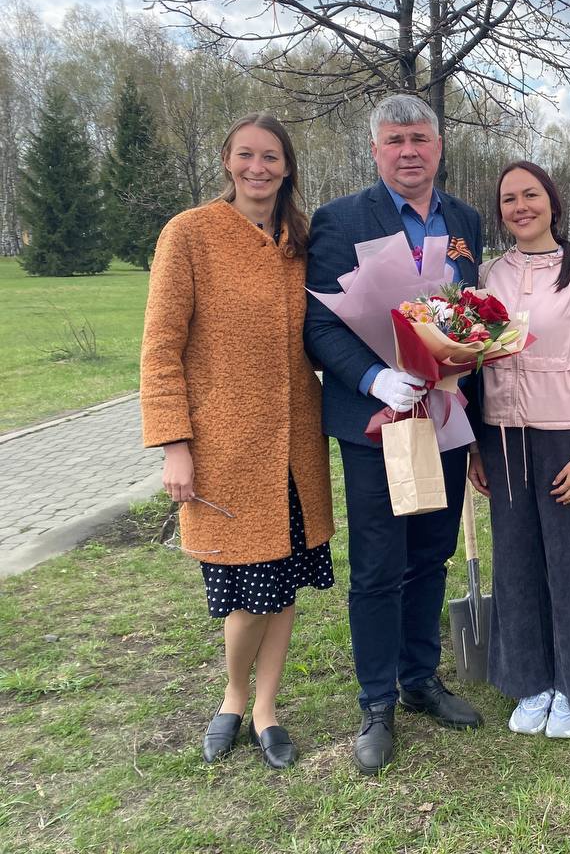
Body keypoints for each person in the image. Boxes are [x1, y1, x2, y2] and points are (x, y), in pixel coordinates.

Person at [141, 113, 335, 770]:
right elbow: (161, 348)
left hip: (295, 446)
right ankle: (231, 695)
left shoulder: (299, 242)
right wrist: (174, 443)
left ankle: (268, 708)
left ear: (288, 167)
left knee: (281, 586)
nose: (258, 168)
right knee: (247, 591)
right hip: (225, 447)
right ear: (227, 161)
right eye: (246, 155)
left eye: (271, 157)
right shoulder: (190, 235)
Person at [304, 94, 484, 774]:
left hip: (442, 417)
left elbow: (471, 317)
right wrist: (376, 379)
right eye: (394, 140)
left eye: (420, 138)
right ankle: (376, 702)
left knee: (431, 553)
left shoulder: (462, 220)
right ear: (375, 151)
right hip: (377, 424)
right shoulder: (341, 219)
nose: (409, 151)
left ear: (438, 147)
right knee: (379, 565)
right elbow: (319, 322)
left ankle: (419, 679)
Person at [467, 160, 570, 739]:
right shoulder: (487, 276)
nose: (520, 207)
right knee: (516, 564)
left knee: (568, 566)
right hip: (505, 436)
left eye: (531, 195)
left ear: (552, 203)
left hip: (565, 438)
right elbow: (473, 362)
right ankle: (530, 682)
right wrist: (478, 445)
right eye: (508, 198)